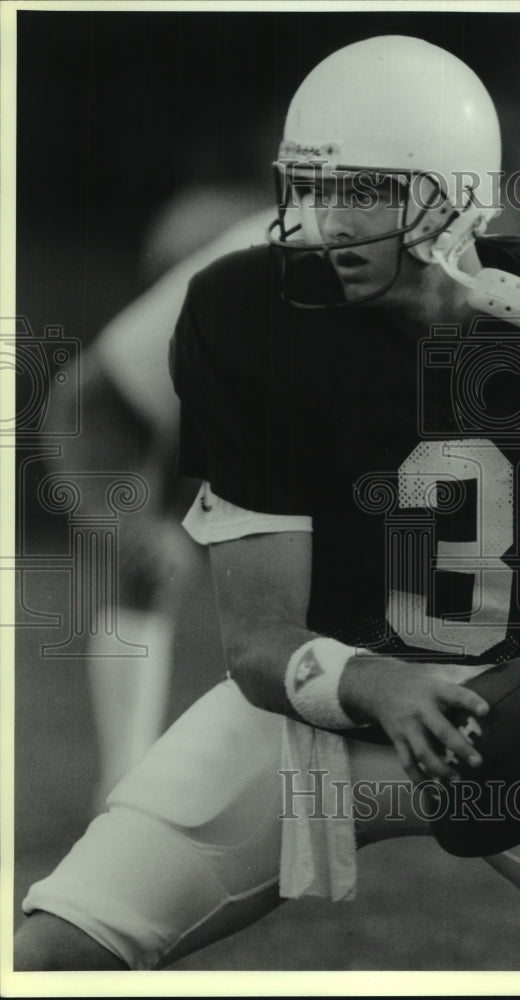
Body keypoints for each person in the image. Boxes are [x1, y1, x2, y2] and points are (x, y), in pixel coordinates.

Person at [15, 34, 520, 973]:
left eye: (362, 189)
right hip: (301, 728)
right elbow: (257, 639)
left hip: (517, 723)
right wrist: (384, 682)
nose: (325, 221)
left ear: (452, 196)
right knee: (46, 960)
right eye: (311, 187)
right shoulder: (256, 317)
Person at [45, 200, 274, 808]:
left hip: (147, 412)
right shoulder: (277, 259)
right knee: (151, 569)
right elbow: (201, 381)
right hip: (101, 421)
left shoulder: (302, 241)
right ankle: (123, 787)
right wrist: (171, 513)